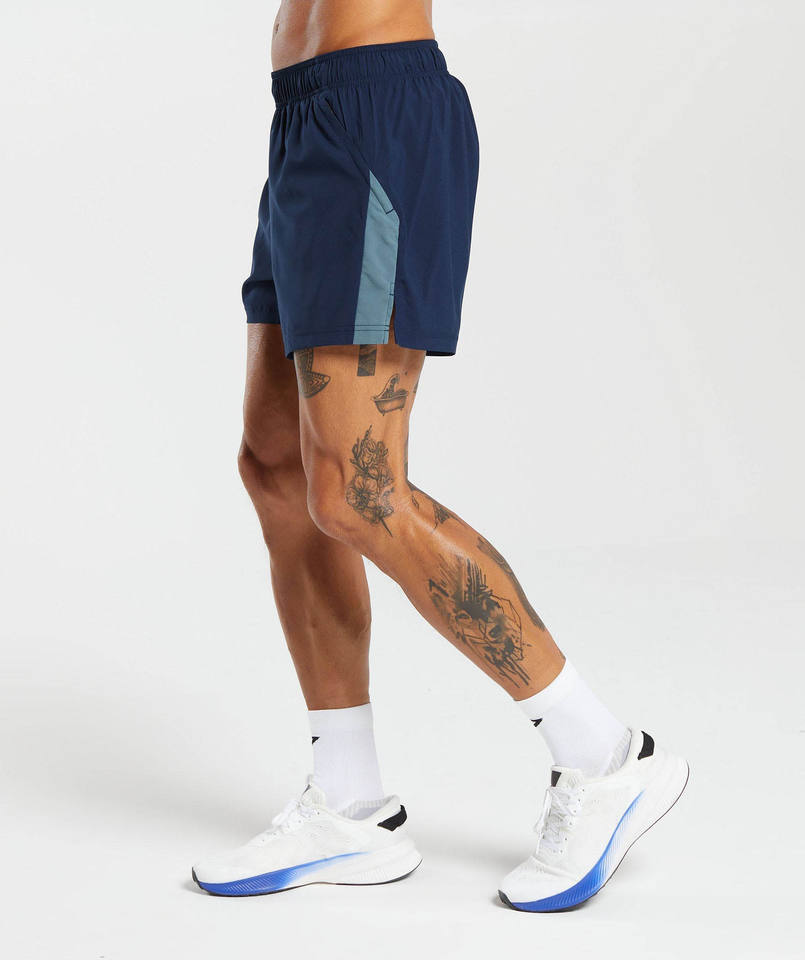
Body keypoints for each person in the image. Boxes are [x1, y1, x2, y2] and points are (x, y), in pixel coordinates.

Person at [191, 0, 688, 911]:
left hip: (377, 114)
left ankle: (604, 755)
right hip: (303, 117)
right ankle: (349, 804)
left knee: (359, 490)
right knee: (277, 469)